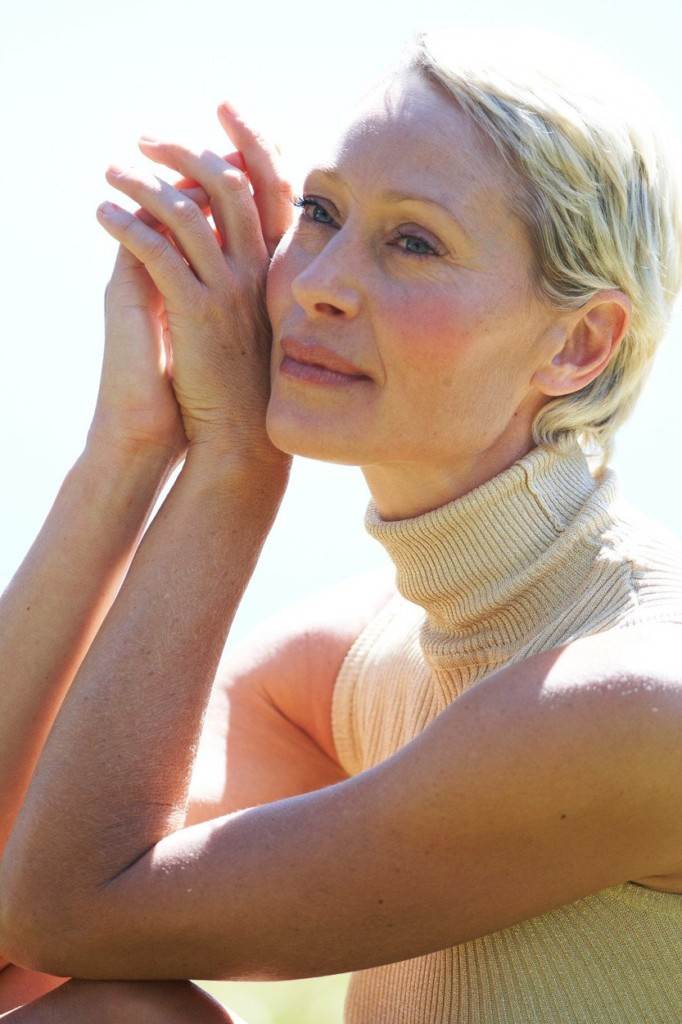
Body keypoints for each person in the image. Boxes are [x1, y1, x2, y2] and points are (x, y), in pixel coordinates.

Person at [1, 26, 682, 1023]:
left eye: (413, 242)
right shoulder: (358, 660)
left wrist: (237, 462)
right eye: (319, 214)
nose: (317, 283)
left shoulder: (630, 698)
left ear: (579, 344)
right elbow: (18, 902)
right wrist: (127, 452)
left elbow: (64, 910)